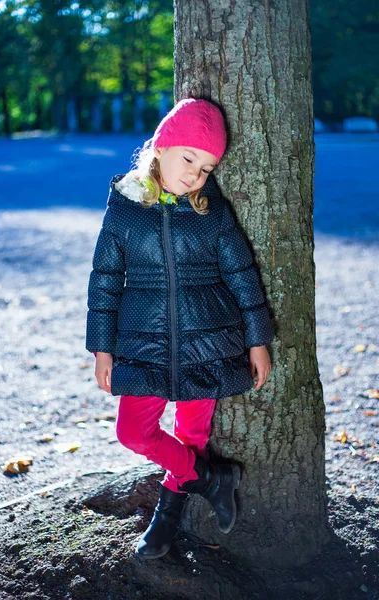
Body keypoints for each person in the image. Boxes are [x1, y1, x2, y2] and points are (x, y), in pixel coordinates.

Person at [85, 97, 273, 559]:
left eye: (207, 168)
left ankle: (166, 519)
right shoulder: (125, 210)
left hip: (207, 341)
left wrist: (257, 339)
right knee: (133, 433)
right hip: (143, 344)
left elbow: (243, 275)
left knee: (192, 435)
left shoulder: (212, 212)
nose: (195, 174)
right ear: (161, 149)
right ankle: (211, 479)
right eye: (189, 158)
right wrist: (102, 349)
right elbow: (105, 280)